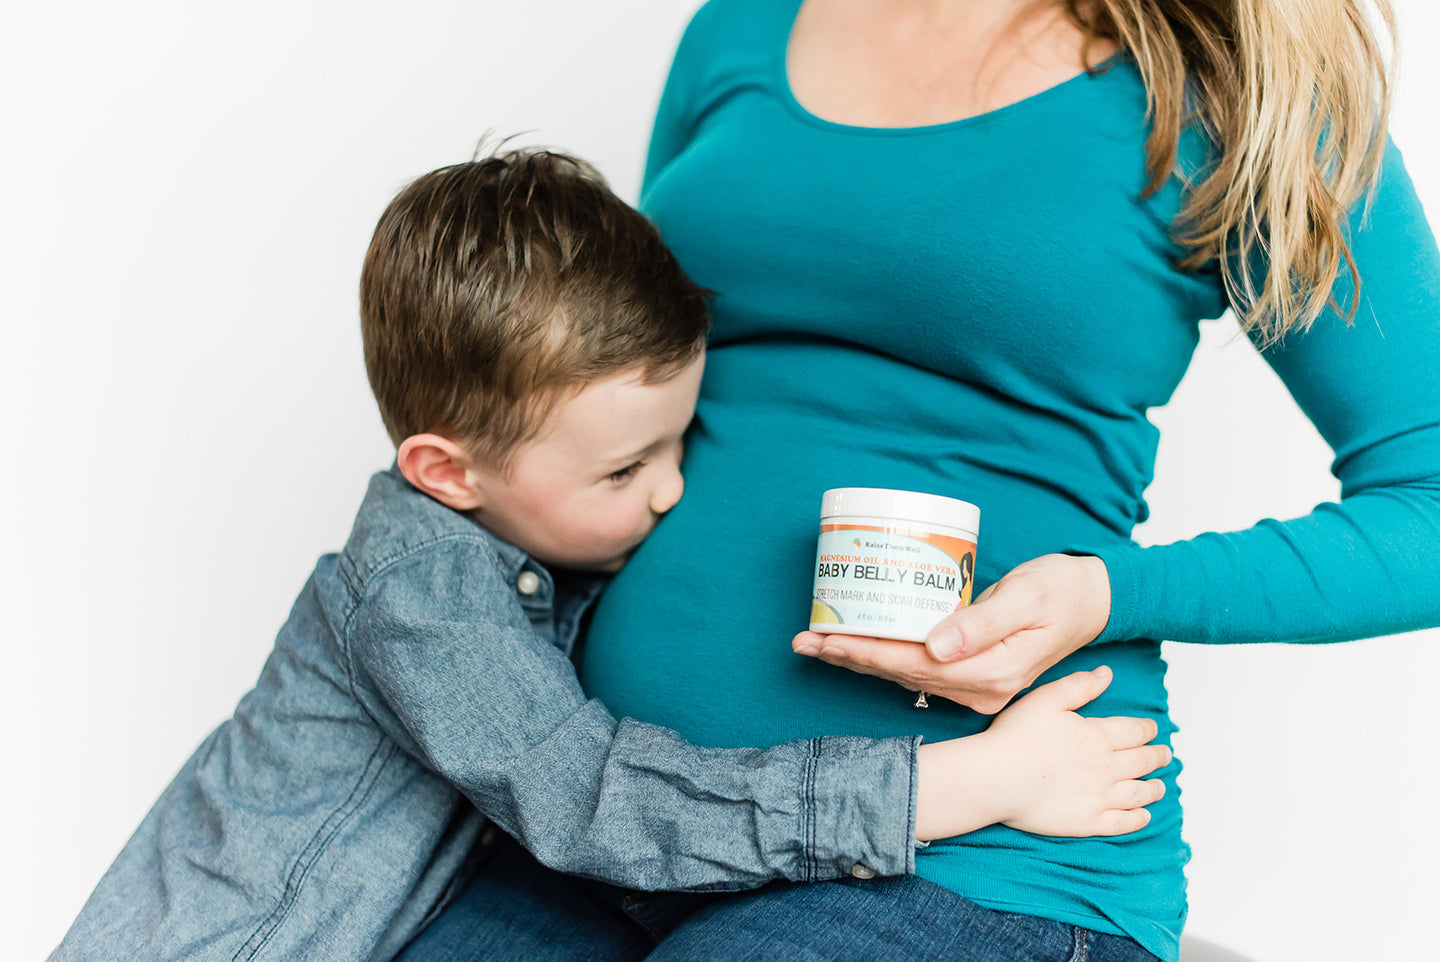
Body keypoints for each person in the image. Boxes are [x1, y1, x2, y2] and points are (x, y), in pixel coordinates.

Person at [403, 1, 1440, 961]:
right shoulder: (743, 26)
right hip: (620, 812)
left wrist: (1107, 592)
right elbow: (609, 376)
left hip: (971, 857)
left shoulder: (1238, 88)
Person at [50, 147, 1172, 961]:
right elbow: (589, 800)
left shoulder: (508, 527)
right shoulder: (418, 593)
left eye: (682, 441)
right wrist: (952, 782)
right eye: (623, 471)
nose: (674, 487)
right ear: (447, 471)